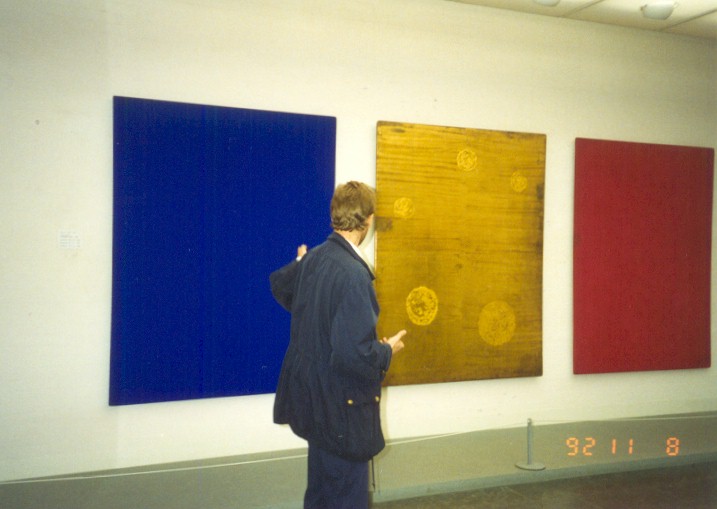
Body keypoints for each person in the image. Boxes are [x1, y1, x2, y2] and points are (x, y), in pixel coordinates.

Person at [270, 181, 406, 509]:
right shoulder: (353, 274)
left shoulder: (316, 257)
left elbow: (281, 287)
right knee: (345, 497)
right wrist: (386, 351)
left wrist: (300, 263)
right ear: (368, 220)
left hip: (314, 401)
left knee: (321, 494)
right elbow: (354, 354)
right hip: (340, 409)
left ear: (335, 214)